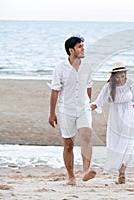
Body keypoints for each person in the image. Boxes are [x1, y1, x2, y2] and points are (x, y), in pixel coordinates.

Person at [48, 36, 96, 185]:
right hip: (65, 110)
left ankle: (86, 171)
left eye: (83, 46)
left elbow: (89, 87)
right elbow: (55, 91)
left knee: (86, 135)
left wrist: (87, 104)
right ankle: (71, 177)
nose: (83, 49)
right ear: (71, 50)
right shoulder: (60, 68)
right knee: (68, 144)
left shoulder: (87, 67)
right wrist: (52, 113)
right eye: (80, 46)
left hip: (83, 109)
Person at [91, 62, 134, 184]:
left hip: (129, 116)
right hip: (115, 118)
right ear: (113, 76)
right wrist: (87, 109)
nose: (120, 79)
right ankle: (118, 168)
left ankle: (122, 173)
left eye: (122, 76)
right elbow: (99, 101)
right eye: (117, 76)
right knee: (115, 143)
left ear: (125, 75)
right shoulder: (109, 86)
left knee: (127, 144)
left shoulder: (130, 84)